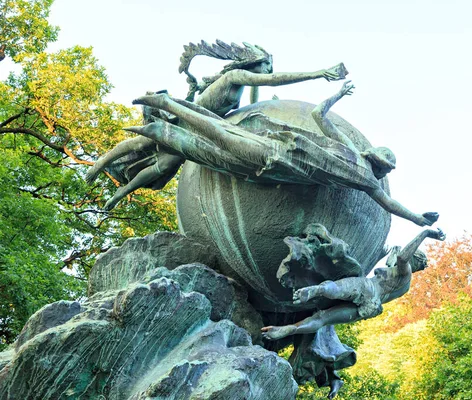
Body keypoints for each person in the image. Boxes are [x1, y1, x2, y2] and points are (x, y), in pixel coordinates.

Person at [127, 81, 439, 226]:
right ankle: (166, 106)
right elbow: (320, 115)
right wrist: (417, 219)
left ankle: (163, 123)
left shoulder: (355, 159)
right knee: (220, 137)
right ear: (375, 159)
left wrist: (416, 219)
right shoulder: (361, 167)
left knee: (216, 145)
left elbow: (320, 115)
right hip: (276, 155)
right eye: (386, 166)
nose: (385, 172)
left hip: (280, 157)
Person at [86, 40, 348, 210]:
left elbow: (254, 102)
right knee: (143, 141)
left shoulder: (242, 84)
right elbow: (272, 81)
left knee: (164, 165)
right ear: (254, 63)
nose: (269, 69)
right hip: (188, 120)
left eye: (270, 65)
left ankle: (120, 194)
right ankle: (98, 165)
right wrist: (317, 73)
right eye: (267, 64)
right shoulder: (234, 76)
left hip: (202, 131)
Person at [260, 228, 446, 341]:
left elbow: (402, 256)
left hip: (369, 288)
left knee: (334, 288)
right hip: (370, 308)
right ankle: (287, 330)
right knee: (323, 319)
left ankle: (316, 290)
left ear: (415, 260)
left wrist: (426, 233)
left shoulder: (405, 273)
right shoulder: (403, 285)